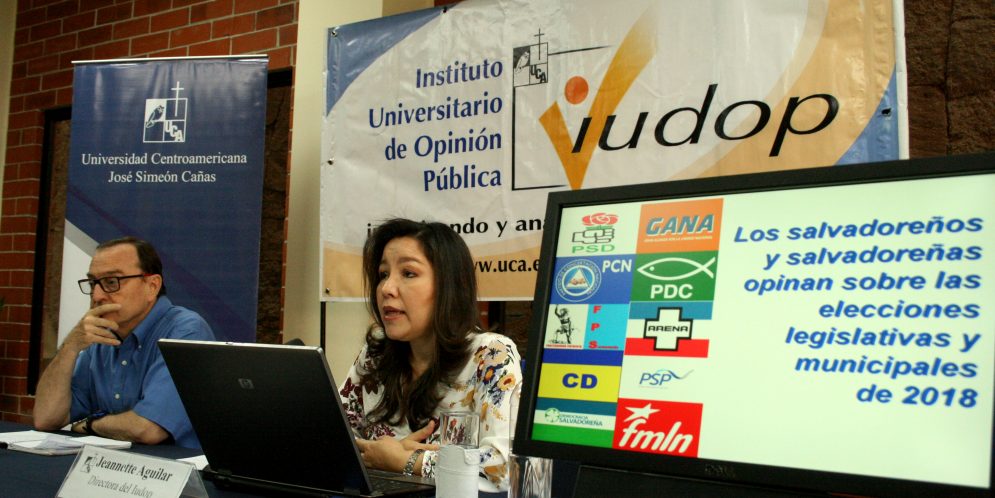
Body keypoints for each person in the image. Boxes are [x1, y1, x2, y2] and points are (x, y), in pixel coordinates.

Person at [339, 218, 522, 492]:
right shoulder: (375, 354)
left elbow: (503, 467)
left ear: (449, 285)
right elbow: (334, 438)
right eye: (383, 274)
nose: (387, 288)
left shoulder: (490, 355)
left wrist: (407, 461)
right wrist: (384, 455)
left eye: (408, 273)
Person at [33, 236, 215, 449]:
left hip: (177, 466)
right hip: (114, 466)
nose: (97, 296)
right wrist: (70, 347)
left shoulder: (185, 331)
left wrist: (90, 424)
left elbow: (148, 429)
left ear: (152, 286)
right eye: (93, 283)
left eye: (111, 282)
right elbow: (46, 418)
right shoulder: (101, 336)